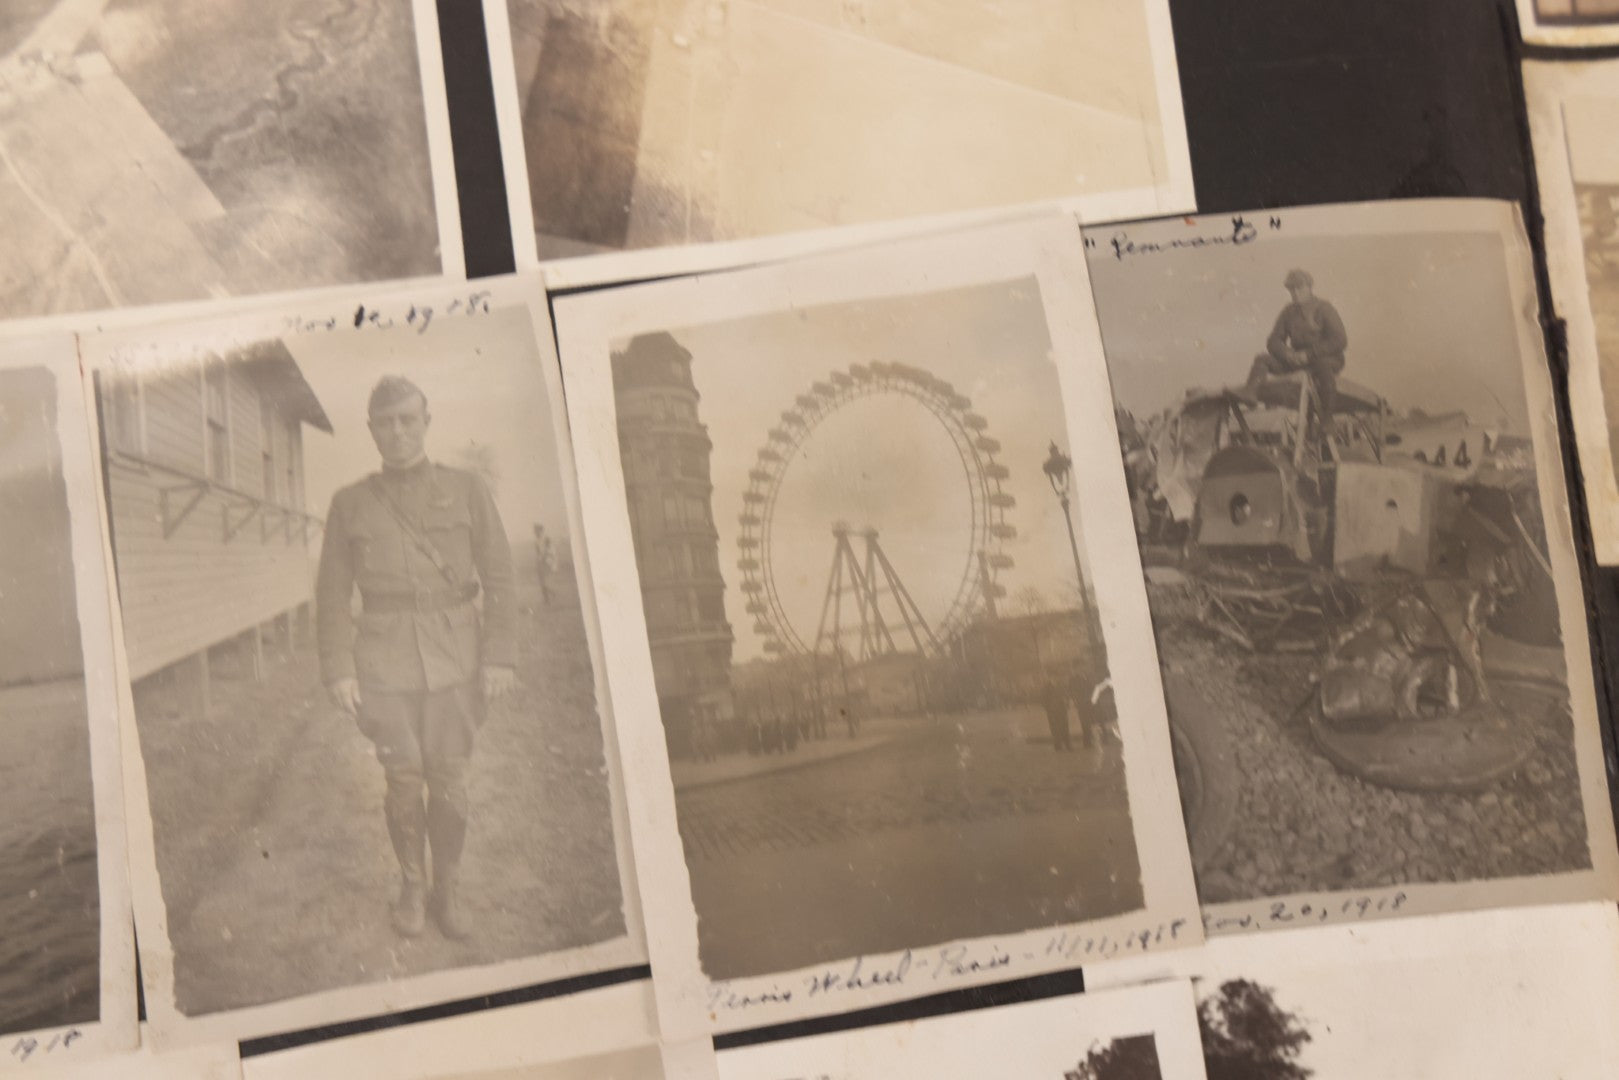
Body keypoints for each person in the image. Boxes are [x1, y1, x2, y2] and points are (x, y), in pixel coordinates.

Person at [316, 375, 516, 940]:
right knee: (402, 780)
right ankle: (410, 887)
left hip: (457, 660)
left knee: (449, 780)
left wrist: (499, 656)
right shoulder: (350, 503)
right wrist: (338, 668)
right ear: (373, 430)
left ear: (426, 423)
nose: (398, 431)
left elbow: (500, 576)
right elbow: (331, 592)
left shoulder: (468, 490)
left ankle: (445, 891)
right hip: (384, 666)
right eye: (386, 422)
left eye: (408, 419)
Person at [1246, 268, 1349, 420]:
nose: (1295, 292)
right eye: (1291, 289)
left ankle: (1327, 420)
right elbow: (1273, 340)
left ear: (1309, 287)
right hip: (1296, 360)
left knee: (1323, 367)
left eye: (1299, 288)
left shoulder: (1324, 308)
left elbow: (1340, 340)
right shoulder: (1288, 312)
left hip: (1324, 358)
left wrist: (1309, 354)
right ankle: (1250, 394)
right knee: (1262, 359)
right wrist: (1287, 353)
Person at [1041, 675, 1073, 752]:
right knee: (1054, 728)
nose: (1056, 678)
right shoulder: (1046, 687)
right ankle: (1058, 745)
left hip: (1062, 709)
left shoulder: (1061, 685)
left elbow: (1067, 695)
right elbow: (1043, 699)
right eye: (1053, 677)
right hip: (1052, 711)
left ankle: (1068, 745)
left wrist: (1067, 704)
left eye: (1057, 677)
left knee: (1065, 726)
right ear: (1050, 677)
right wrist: (1048, 709)